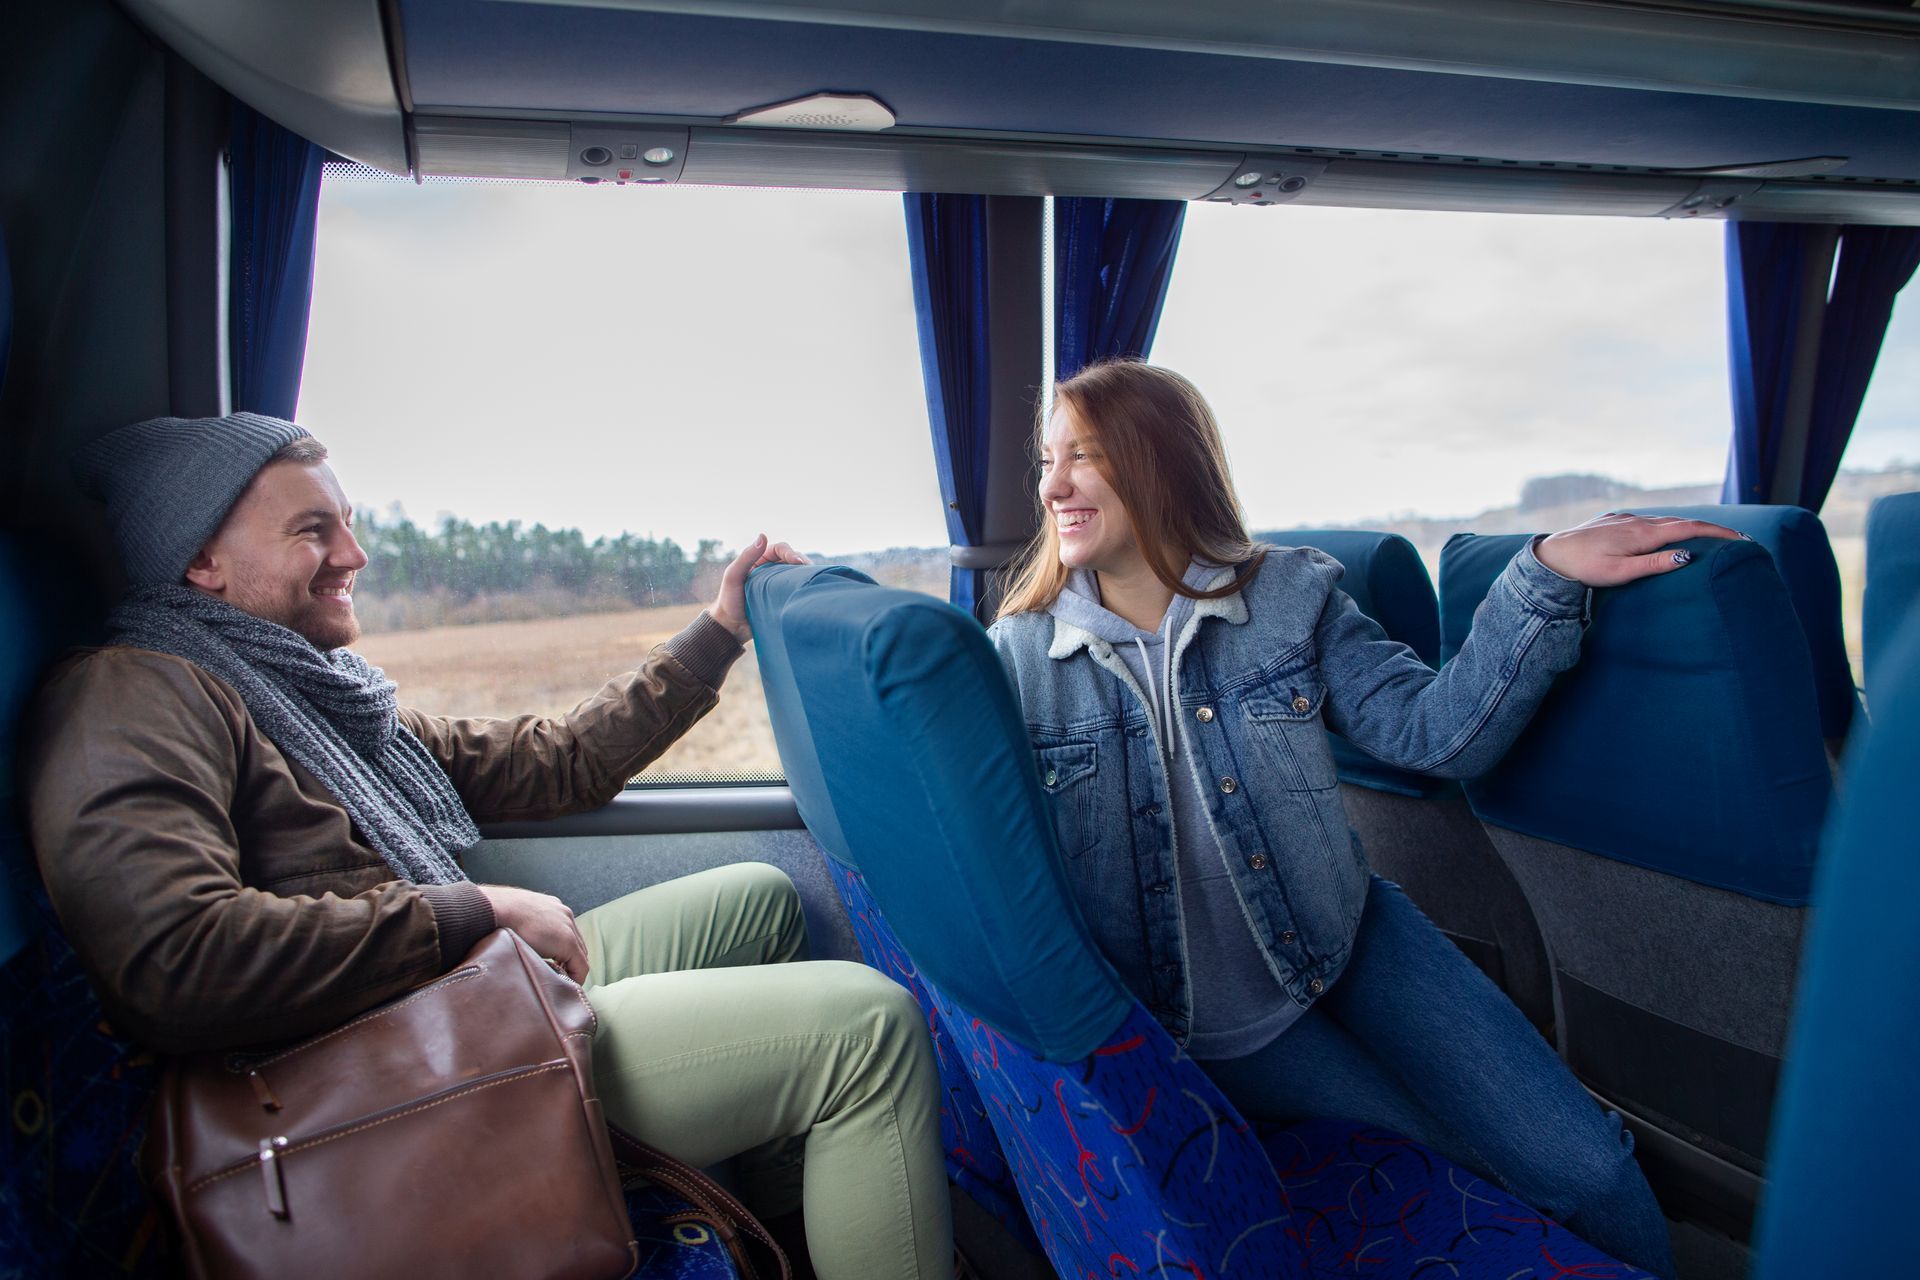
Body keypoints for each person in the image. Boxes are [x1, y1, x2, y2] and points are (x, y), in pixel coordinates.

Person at [23, 412, 952, 1280]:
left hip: (438, 1002)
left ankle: (799, 1228)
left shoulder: (315, 697)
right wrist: (473, 911)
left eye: (347, 522)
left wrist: (717, 634)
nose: (355, 553)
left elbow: (556, 762)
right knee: (866, 1030)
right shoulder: (133, 695)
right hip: (368, 1077)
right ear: (201, 562)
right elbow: (176, 961)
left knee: (758, 895)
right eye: (313, 531)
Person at [988, 360, 1740, 1278]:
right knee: (1476, 1181)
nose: (1051, 485)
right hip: (1210, 1026)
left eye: (1084, 457)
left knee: (1587, 1172)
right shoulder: (1016, 658)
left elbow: (1435, 735)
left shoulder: (1290, 598)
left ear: (1158, 464)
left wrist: (1539, 578)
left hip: (1348, 938)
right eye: (1047, 458)